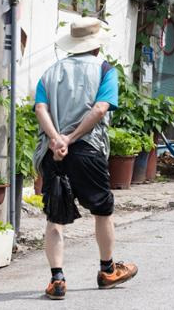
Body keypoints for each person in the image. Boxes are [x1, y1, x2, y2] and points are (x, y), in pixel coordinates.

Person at [33, 17, 138, 300]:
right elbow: (101, 109)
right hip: (87, 150)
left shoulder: (50, 72)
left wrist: (57, 139)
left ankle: (57, 280)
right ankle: (107, 270)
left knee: (55, 215)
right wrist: (71, 138)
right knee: (102, 211)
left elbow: (40, 108)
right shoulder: (105, 71)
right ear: (96, 47)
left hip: (53, 152)